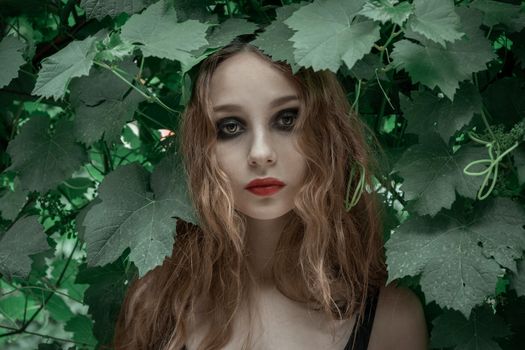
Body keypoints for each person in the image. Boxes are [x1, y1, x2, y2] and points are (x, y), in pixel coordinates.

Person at [113, 39, 428, 350]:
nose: (260, 153)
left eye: (286, 120)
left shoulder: (392, 318)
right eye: (231, 127)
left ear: (327, 135)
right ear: (201, 149)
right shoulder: (156, 303)